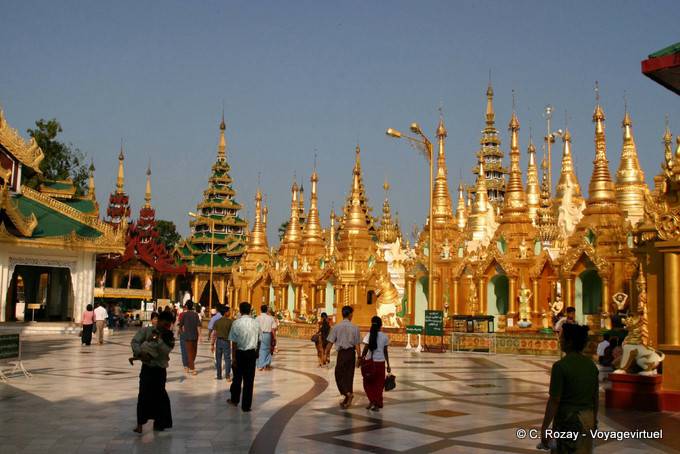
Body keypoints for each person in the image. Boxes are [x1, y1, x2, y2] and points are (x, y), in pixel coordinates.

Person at [540, 323, 598, 453]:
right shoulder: (591, 365)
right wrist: (594, 420)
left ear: (570, 342)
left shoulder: (560, 366)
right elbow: (595, 397)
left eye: (562, 337)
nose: (560, 340)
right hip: (587, 418)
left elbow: (554, 400)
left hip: (568, 421)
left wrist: (544, 427)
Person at [131, 311, 175, 434]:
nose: (166, 327)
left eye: (168, 325)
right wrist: (140, 353)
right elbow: (135, 341)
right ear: (159, 321)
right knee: (143, 394)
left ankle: (160, 422)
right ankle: (140, 424)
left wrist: (159, 340)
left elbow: (167, 350)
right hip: (147, 368)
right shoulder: (147, 331)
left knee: (160, 396)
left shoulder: (169, 336)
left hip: (160, 369)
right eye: (165, 324)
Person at [325, 305, 362, 409]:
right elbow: (357, 344)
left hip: (342, 354)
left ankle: (347, 396)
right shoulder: (355, 327)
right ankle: (348, 395)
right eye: (352, 314)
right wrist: (359, 357)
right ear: (350, 314)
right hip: (351, 353)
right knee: (349, 376)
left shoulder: (336, 327)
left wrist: (326, 353)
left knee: (339, 374)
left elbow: (330, 342)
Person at [228, 302, 261, 412]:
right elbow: (260, 339)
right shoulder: (255, 323)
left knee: (237, 378)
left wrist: (234, 357)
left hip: (240, 353)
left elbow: (234, 342)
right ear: (250, 310)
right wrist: (257, 352)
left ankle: (235, 399)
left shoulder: (236, 323)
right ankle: (246, 406)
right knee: (249, 380)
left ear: (240, 311)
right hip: (251, 353)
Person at [361, 316, 391, 412]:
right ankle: (376, 403)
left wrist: (361, 359)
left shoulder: (368, 335)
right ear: (381, 325)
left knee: (368, 383)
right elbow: (385, 351)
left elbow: (365, 349)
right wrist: (388, 365)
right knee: (379, 385)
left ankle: (372, 400)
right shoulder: (384, 336)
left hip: (370, 362)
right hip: (381, 363)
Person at [178, 301, 201, 375]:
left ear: (186, 307)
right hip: (193, 336)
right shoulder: (195, 315)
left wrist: (181, 332)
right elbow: (198, 326)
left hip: (189, 336)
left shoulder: (185, 315)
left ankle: (188, 366)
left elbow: (180, 325)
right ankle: (193, 368)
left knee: (192, 353)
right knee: (192, 353)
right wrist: (200, 335)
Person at [211, 306, 233, 381]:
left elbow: (214, 334)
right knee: (227, 359)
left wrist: (212, 344)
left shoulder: (217, 321)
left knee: (218, 359)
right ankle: (227, 376)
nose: (230, 313)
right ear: (226, 312)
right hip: (226, 342)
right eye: (229, 311)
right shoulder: (230, 322)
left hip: (218, 342)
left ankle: (219, 375)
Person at [256, 304, 277, 371]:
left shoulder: (257, 318)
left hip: (260, 334)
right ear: (267, 310)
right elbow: (273, 329)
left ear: (261, 310)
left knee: (261, 349)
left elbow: (255, 328)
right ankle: (264, 364)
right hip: (268, 335)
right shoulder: (270, 318)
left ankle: (262, 364)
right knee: (267, 349)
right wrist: (274, 337)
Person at [177, 303, 189, 371]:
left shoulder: (181, 314)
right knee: (189, 349)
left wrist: (178, 332)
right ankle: (189, 363)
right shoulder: (192, 314)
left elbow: (180, 324)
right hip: (190, 333)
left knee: (184, 349)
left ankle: (185, 365)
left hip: (183, 333)